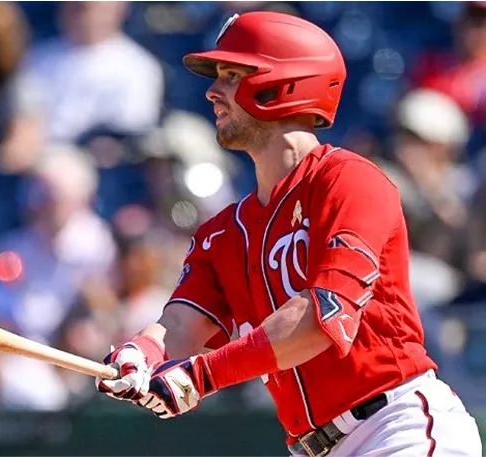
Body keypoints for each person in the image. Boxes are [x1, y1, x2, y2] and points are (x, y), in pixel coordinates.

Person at [95, 11, 484, 457]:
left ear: (284, 84)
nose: (212, 91)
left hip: (396, 426)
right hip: (314, 447)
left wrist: (202, 375)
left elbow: (320, 317)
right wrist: (142, 353)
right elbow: (180, 326)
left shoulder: (350, 181)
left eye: (231, 75)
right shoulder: (223, 232)